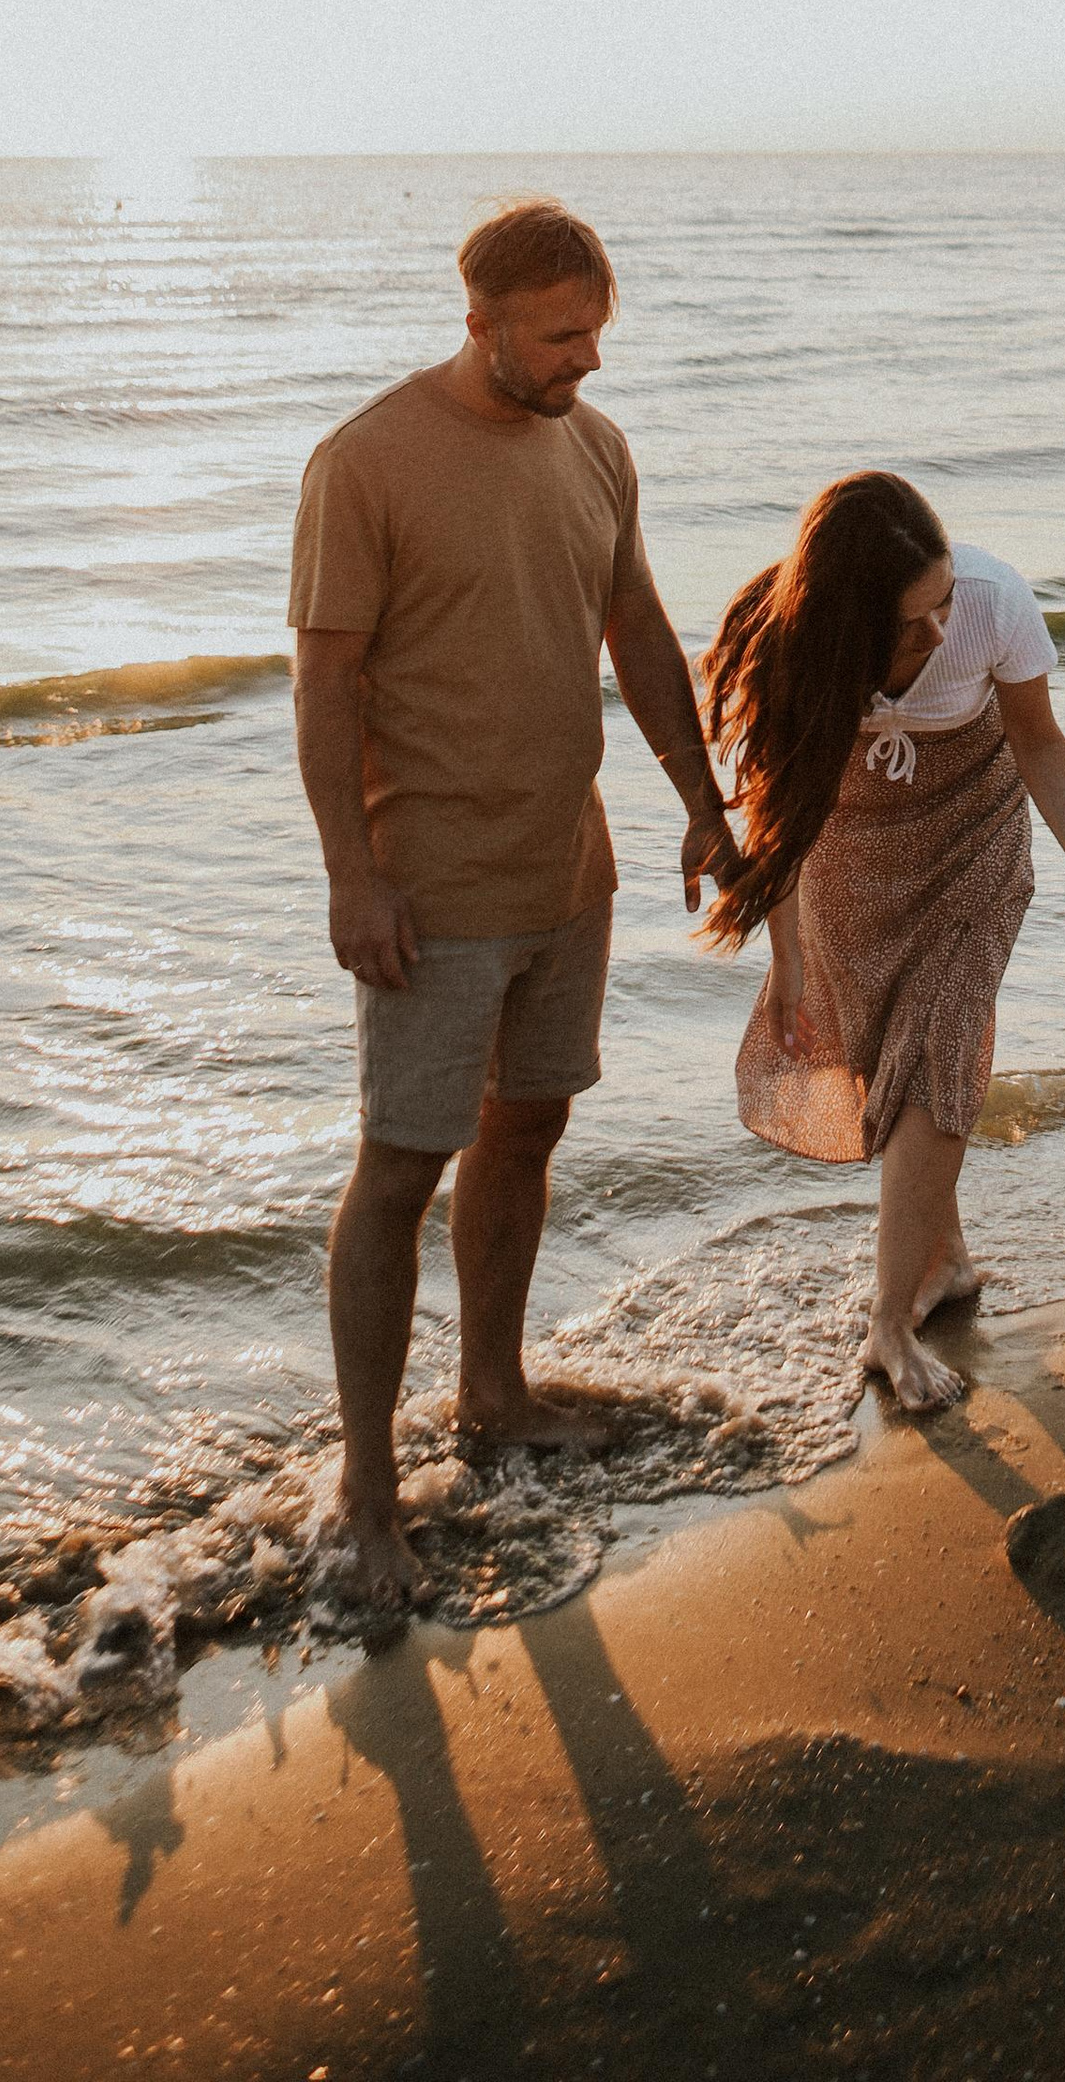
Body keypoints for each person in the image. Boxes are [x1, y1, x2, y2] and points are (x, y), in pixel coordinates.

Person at [289, 196, 739, 1606]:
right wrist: (350, 878)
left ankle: (495, 1390)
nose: (587, 362)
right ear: (478, 321)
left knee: (527, 1128)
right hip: (431, 889)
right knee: (401, 1166)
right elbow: (324, 681)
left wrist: (705, 803)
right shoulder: (366, 462)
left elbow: (642, 633)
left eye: (598, 330)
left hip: (568, 868)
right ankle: (367, 1493)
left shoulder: (596, 448)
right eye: (561, 337)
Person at [704, 469, 1065, 1410]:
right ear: (848, 619)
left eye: (943, 603)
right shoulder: (791, 644)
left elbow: (1037, 740)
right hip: (850, 849)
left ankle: (887, 1322)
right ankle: (946, 1260)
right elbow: (779, 815)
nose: (940, 630)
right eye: (912, 620)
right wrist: (787, 963)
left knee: (942, 1043)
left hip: (973, 831)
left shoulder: (991, 601)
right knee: (882, 1058)